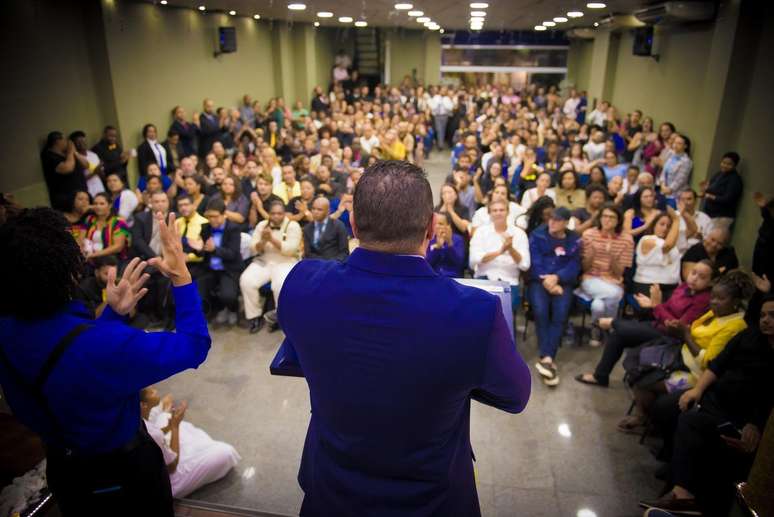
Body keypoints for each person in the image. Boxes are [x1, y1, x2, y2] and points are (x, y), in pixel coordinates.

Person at [277, 160, 531, 516]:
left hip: (332, 490)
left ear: (352, 223)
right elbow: (515, 395)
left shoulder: (302, 283)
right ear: (430, 227)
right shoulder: (475, 313)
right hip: (430, 500)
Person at [0, 207, 210, 517]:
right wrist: (180, 273)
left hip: (63, 468)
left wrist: (111, 315)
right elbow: (194, 345)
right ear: (72, 272)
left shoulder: (6, 327)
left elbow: (66, 356)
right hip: (124, 475)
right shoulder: (107, 347)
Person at [642, 296, 774, 516]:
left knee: (690, 419)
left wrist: (756, 423)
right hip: (715, 398)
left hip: (742, 417)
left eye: (772, 316)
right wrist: (697, 390)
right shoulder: (749, 336)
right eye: (762, 315)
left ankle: (682, 494)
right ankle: (675, 468)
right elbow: (717, 365)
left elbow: (768, 398)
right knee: (668, 407)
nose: (766, 320)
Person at [622, 270, 753, 433]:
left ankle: (651, 421)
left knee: (644, 379)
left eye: (721, 299)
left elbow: (710, 362)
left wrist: (685, 335)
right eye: (712, 297)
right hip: (681, 355)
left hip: (696, 373)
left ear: (736, 301)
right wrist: (683, 330)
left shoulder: (734, 326)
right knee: (636, 365)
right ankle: (644, 416)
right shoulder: (717, 313)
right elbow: (696, 331)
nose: (713, 302)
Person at [575, 260, 714, 388]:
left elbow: (678, 327)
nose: (694, 278)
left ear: (709, 282)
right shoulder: (683, 287)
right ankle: (600, 376)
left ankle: (612, 322)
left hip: (671, 338)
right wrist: (653, 305)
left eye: (701, 277)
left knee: (620, 328)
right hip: (657, 325)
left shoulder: (703, 300)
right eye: (693, 272)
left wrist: (656, 305)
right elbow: (665, 308)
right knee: (618, 335)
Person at [140, 388, 240, 499]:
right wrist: (174, 426)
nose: (155, 390)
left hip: (157, 460)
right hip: (167, 483)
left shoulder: (139, 421)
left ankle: (197, 450)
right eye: (151, 392)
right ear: (143, 405)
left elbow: (154, 434)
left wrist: (169, 426)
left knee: (164, 416)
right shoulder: (152, 432)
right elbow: (172, 466)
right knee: (226, 452)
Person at [528, 207, 581, 387]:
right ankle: (548, 358)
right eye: (551, 218)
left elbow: (574, 265)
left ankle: (546, 357)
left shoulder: (574, 239)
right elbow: (534, 261)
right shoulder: (537, 235)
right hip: (540, 280)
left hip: (562, 282)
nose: (552, 222)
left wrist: (557, 278)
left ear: (566, 223)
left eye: (557, 220)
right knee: (541, 312)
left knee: (560, 314)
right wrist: (548, 281)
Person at [240, 200, 301, 334]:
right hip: (265, 260)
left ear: (284, 214)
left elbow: (291, 249)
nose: (276, 216)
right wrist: (263, 240)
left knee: (279, 285)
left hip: (286, 261)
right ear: (268, 214)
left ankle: (280, 319)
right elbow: (252, 248)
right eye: (273, 213)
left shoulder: (293, 225)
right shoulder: (262, 225)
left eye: (279, 213)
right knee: (246, 280)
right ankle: (255, 317)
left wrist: (272, 239)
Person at [578, 203, 634, 346]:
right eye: (604, 216)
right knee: (614, 294)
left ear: (618, 220)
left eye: (612, 217)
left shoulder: (626, 240)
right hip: (591, 278)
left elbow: (619, 272)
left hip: (612, 280)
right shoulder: (589, 235)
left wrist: (612, 255)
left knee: (598, 306)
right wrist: (591, 255)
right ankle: (610, 329)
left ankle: (596, 331)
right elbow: (584, 268)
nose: (607, 220)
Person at [470, 199, 531, 311]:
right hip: (484, 278)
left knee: (505, 310)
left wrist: (511, 249)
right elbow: (473, 260)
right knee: (480, 309)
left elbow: (525, 265)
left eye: (502, 210)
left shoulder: (519, 234)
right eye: (495, 210)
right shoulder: (481, 232)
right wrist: (500, 251)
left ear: (508, 212)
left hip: (509, 281)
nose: (498, 213)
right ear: (489, 213)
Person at [193, 199, 243, 325]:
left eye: (215, 216)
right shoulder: (205, 228)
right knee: (197, 291)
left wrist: (215, 249)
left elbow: (233, 254)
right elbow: (203, 252)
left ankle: (232, 309)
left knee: (228, 295)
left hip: (228, 269)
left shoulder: (233, 228)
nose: (211, 220)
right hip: (210, 269)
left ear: (224, 214)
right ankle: (218, 310)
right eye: (209, 216)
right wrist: (199, 249)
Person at [131, 191, 174, 326]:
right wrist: (155, 257)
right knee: (146, 277)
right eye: (156, 201)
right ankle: (147, 315)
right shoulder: (141, 218)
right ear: (150, 203)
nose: (160, 204)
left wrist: (163, 260)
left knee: (164, 281)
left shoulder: (175, 218)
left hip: (167, 260)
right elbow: (137, 241)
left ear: (168, 202)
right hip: (147, 258)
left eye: (163, 201)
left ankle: (164, 316)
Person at [632, 208, 682, 300]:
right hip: (648, 284)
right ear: (654, 225)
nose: (665, 228)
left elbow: (693, 231)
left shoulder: (674, 245)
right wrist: (676, 220)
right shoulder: (647, 239)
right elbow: (667, 246)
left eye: (669, 226)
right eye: (662, 224)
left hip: (671, 286)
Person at [41, 131, 88, 212]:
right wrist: (70, 152)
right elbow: (67, 169)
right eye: (65, 139)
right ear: (58, 141)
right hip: (67, 200)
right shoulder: (49, 156)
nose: (68, 142)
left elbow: (86, 165)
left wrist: (74, 152)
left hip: (82, 196)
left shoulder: (68, 154)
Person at [700, 151, 743, 230]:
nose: (725, 165)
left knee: (713, 238)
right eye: (723, 162)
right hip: (710, 212)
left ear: (735, 165)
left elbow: (728, 199)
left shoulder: (735, 179)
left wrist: (710, 196)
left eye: (729, 164)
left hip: (721, 216)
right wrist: (705, 190)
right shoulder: (719, 174)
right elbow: (710, 187)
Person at [82, 192, 131, 261]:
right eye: (95, 203)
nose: (98, 206)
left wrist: (94, 255)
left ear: (110, 205)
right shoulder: (89, 219)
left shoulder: (118, 222)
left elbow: (118, 247)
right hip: (89, 258)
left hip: (112, 260)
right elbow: (82, 239)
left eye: (102, 204)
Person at [301, 197, 349, 261]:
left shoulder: (338, 226)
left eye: (319, 210)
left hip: (334, 265)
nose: (315, 212)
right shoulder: (307, 228)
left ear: (328, 211)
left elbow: (344, 253)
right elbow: (307, 253)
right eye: (313, 209)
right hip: (314, 265)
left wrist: (329, 264)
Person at [426, 212, 465, 278]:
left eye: (440, 224)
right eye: (434, 224)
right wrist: (437, 248)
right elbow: (426, 264)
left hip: (452, 278)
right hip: (434, 277)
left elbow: (460, 264)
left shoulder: (457, 239)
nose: (437, 226)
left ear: (448, 225)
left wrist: (450, 244)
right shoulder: (428, 239)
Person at [676, 189, 712, 254]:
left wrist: (702, 237)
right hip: (678, 252)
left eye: (689, 199)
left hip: (699, 253)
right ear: (679, 202)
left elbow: (711, 240)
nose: (685, 202)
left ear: (695, 201)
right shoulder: (674, 217)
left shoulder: (705, 218)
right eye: (682, 199)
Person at [70, 130, 105, 198]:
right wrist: (94, 172)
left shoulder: (93, 155)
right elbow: (78, 180)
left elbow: (102, 175)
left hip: (100, 188)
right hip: (87, 192)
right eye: (78, 142)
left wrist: (100, 169)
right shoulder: (75, 159)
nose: (82, 143)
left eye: (83, 141)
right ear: (74, 144)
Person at [657, 134, 692, 199]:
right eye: (675, 142)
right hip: (663, 190)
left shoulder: (686, 161)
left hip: (676, 194)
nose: (675, 145)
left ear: (685, 146)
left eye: (679, 143)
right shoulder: (670, 154)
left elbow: (680, 180)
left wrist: (669, 189)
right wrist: (662, 185)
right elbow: (663, 172)